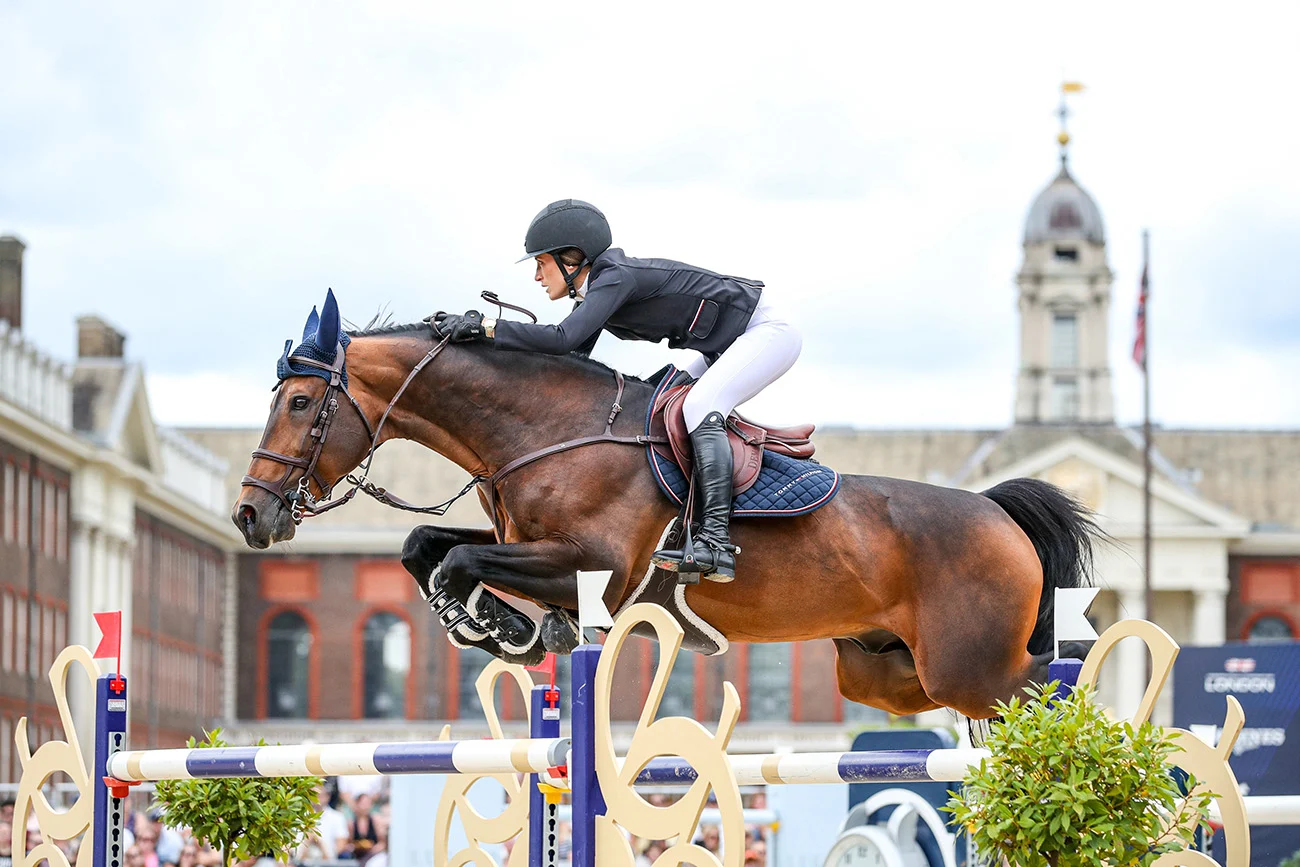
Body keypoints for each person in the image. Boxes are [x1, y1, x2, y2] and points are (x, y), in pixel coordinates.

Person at [435, 200, 802, 582]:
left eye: (541, 264)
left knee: (699, 408)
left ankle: (715, 543)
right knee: (659, 403)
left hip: (766, 331)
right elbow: (573, 358)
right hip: (725, 345)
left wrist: (488, 328)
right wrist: (485, 356)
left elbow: (563, 339)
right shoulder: (599, 288)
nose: (537, 277)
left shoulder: (615, 277)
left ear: (572, 259)